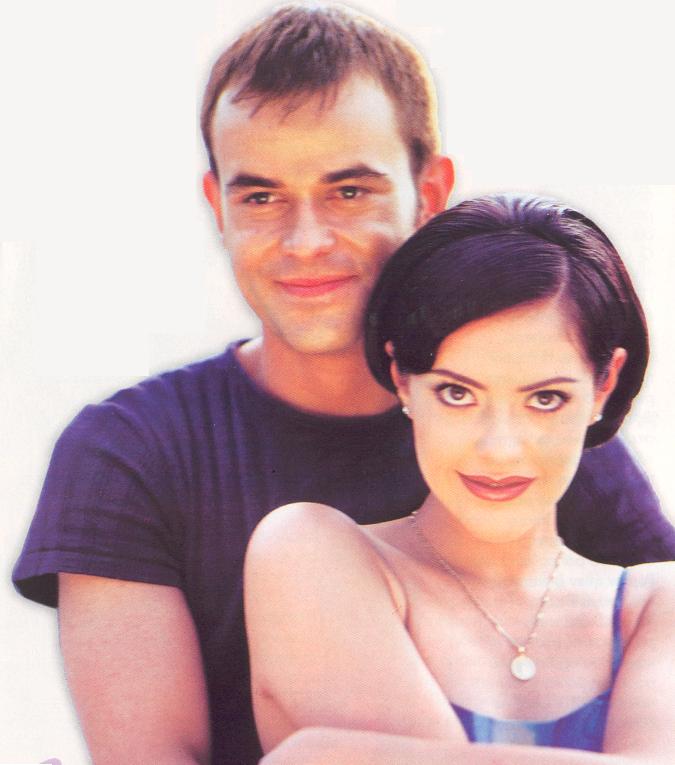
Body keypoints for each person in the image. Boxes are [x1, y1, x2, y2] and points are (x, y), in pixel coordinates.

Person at [11, 5, 675, 764]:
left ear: (430, 191)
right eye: (261, 197)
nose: (305, 242)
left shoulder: (541, 440)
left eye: (348, 191)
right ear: (217, 205)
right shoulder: (132, 452)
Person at [245, 194, 675, 763]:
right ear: (402, 378)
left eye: (545, 399)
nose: (499, 449)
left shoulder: (657, 606)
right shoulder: (308, 555)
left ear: (604, 385)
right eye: (457, 393)